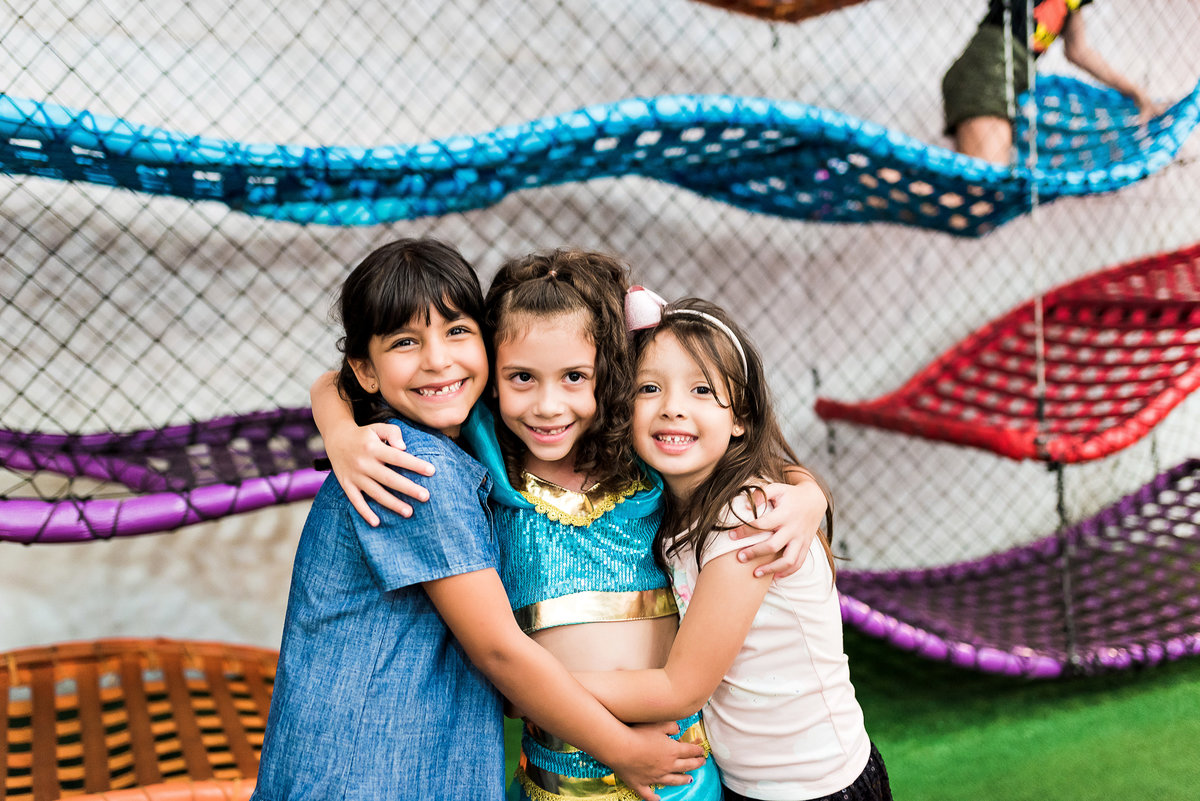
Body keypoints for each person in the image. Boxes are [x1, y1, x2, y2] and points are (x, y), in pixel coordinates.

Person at [310, 248, 830, 801]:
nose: (548, 406)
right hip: (552, 782)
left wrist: (808, 493)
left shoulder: (637, 452)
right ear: (493, 376)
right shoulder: (484, 450)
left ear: (609, 376)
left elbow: (736, 453)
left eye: (575, 377)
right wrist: (340, 432)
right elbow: (342, 378)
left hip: (676, 774)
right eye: (522, 378)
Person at [251, 238, 706, 801]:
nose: (437, 360)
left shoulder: (453, 438)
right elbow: (499, 651)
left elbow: (335, 381)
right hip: (372, 773)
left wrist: (337, 424)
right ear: (365, 370)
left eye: (457, 331)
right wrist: (623, 751)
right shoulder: (417, 468)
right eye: (405, 342)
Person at [573, 293, 891, 801]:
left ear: (740, 418)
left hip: (815, 789)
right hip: (749, 783)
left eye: (701, 389)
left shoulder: (743, 522)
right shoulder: (671, 504)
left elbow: (680, 689)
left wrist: (542, 688)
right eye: (649, 388)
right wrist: (810, 489)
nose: (672, 407)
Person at [943, 0, 1166, 164]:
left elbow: (1078, 51)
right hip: (988, 73)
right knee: (983, 189)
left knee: (980, 195)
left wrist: (1136, 93)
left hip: (1006, 77)